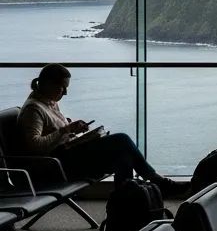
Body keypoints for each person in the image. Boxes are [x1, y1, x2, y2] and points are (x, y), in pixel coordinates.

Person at [16, 63, 179, 195]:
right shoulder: (34, 109)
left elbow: (54, 131)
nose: (65, 93)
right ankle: (157, 181)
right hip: (57, 165)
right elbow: (34, 146)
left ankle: (125, 213)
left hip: (68, 157)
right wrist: (64, 130)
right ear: (48, 84)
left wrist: (72, 130)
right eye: (62, 88)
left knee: (123, 157)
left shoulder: (49, 101)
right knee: (121, 140)